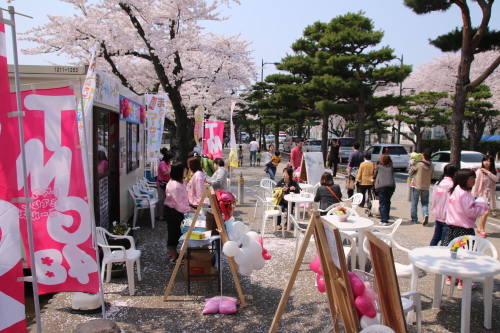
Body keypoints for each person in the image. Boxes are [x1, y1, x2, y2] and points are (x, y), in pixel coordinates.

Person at [164, 162, 194, 264]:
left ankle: (174, 252)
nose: (186, 172)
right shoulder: (175, 185)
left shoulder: (180, 182)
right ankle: (173, 256)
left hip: (177, 210)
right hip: (172, 211)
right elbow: (177, 203)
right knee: (174, 233)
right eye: (185, 170)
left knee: (177, 232)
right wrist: (189, 209)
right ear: (179, 172)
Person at [471, 154, 499, 238]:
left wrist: (488, 172)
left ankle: (480, 227)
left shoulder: (492, 172)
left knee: (487, 212)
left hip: (491, 194)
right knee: (485, 212)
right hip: (482, 194)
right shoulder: (480, 171)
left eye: (489, 161)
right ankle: (482, 229)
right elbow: (476, 184)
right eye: (485, 161)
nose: (487, 163)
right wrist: (473, 194)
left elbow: (496, 179)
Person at [430, 164, 456, 246]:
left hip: (437, 214)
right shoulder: (452, 185)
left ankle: (429, 252)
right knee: (444, 240)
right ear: (455, 173)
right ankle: (441, 256)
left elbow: (434, 198)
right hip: (447, 216)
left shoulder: (438, 183)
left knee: (436, 237)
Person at [409, 148, 434, 225]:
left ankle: (414, 219)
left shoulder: (419, 164)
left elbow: (410, 172)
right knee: (425, 203)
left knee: (414, 203)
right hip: (426, 187)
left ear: (423, 154)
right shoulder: (432, 165)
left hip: (417, 186)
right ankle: (425, 214)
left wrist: (412, 164)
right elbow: (432, 176)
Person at [373, 154, 396, 224]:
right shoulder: (391, 168)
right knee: (387, 201)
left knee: (383, 203)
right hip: (391, 186)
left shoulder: (379, 167)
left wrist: (373, 179)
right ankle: (386, 216)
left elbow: (375, 176)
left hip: (382, 186)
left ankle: (384, 219)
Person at [156, 152, 174, 221]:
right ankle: (160, 215)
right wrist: (173, 170)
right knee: (161, 199)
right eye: (171, 159)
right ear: (168, 158)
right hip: (161, 184)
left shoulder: (168, 164)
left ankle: (165, 214)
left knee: (167, 199)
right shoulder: (162, 163)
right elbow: (164, 173)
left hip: (167, 183)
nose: (171, 160)